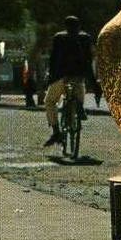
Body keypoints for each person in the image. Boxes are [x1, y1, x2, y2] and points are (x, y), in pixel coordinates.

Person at [43, 16, 99, 146]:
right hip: (79, 77)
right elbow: (89, 61)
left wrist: (49, 78)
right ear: (79, 26)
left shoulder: (59, 37)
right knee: (79, 92)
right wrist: (93, 82)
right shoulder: (85, 38)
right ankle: (79, 106)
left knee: (50, 102)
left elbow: (53, 60)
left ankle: (56, 132)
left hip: (60, 77)